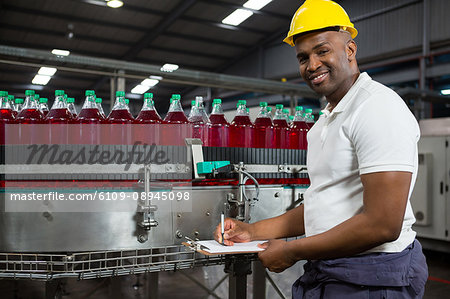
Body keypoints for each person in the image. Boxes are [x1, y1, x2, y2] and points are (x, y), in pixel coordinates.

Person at [214, 0, 428, 297]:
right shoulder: (326, 121)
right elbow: (322, 207)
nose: (312, 65)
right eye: (303, 57)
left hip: (372, 278)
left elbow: (383, 224)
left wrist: (291, 251)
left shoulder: (377, 107)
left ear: (350, 50)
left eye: (322, 50)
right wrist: (253, 231)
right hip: (333, 270)